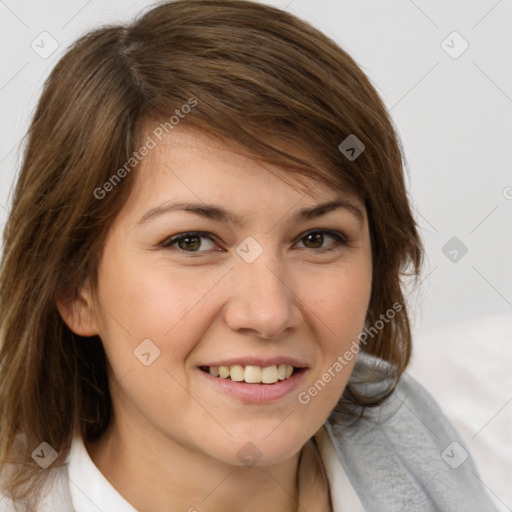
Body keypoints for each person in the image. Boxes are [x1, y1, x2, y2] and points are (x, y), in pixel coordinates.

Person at [0, 1, 498, 511]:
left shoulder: (460, 443)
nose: (268, 312)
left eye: (317, 239)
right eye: (192, 242)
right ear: (74, 287)